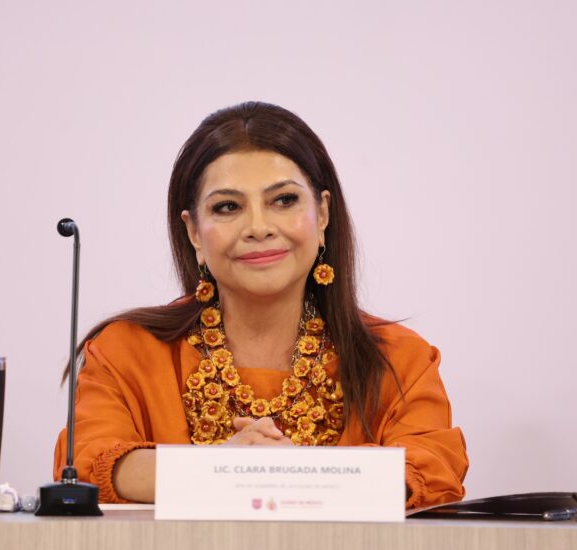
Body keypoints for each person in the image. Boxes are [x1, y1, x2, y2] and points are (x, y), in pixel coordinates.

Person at [53, 101, 468, 508]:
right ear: (194, 233)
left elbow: (431, 468)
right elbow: (86, 465)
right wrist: (226, 468)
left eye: (283, 200)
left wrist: (283, 474)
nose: (258, 227)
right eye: (228, 207)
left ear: (323, 214)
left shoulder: (399, 359)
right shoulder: (126, 352)